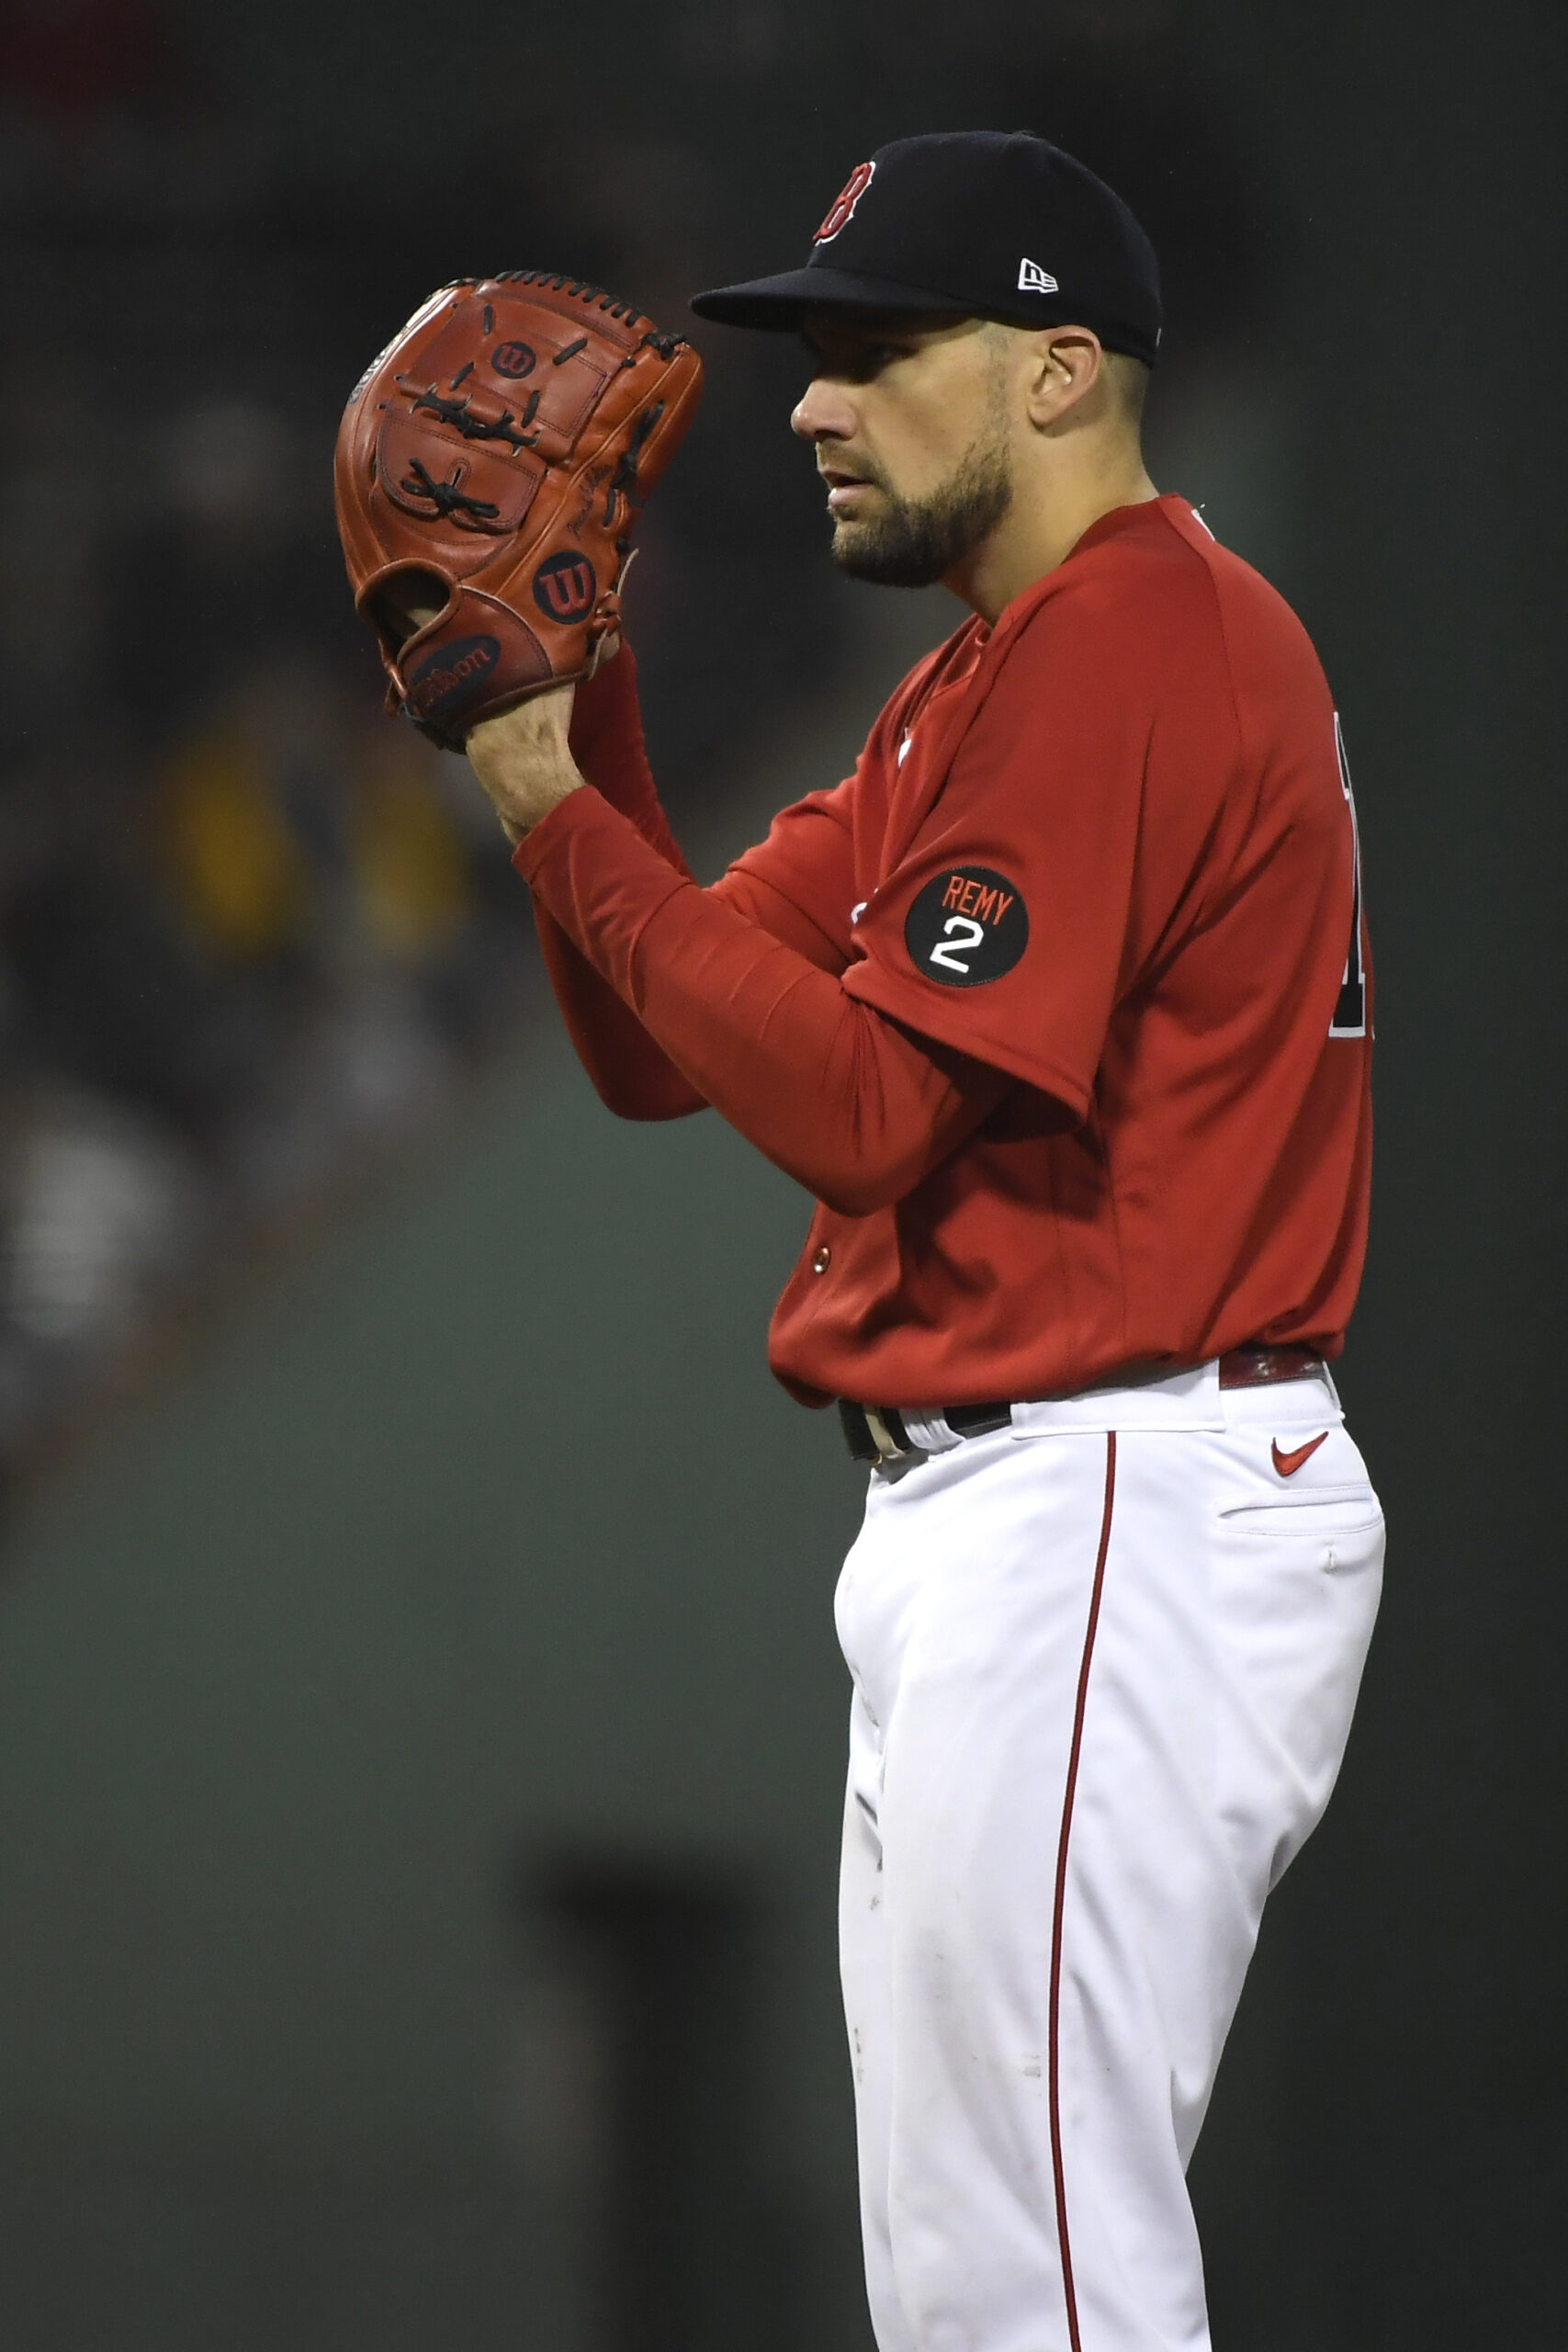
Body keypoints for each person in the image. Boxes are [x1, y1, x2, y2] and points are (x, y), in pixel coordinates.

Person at [462, 130, 1383, 2352]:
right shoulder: (985, 680)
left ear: (1059, 372)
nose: (807, 397)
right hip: (1043, 1506)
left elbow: (865, 1111)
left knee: (1032, 2277)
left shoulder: (1136, 642)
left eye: (876, 350)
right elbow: (662, 1038)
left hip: (1110, 1496)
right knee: (984, 2277)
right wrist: (571, 705)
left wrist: (535, 795)